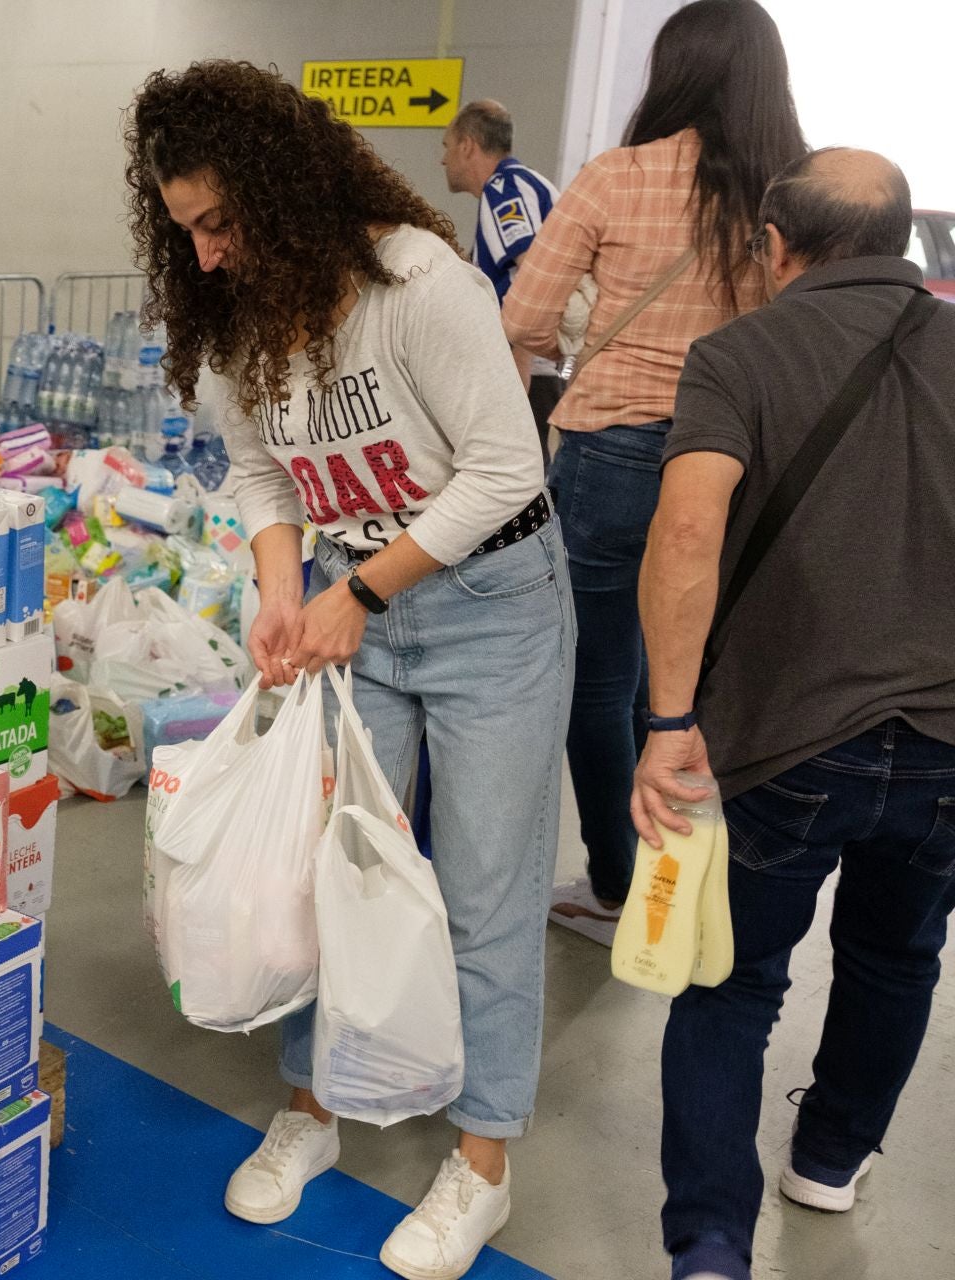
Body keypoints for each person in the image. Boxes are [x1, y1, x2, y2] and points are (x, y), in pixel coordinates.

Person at [127, 61, 574, 1280]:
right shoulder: (234, 320)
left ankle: (482, 1161)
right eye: (186, 233)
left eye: (220, 222)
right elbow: (266, 473)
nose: (207, 256)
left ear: (284, 191)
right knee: (323, 873)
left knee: (483, 893)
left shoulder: (419, 285)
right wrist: (284, 589)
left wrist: (358, 592)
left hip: (489, 607)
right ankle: (315, 1107)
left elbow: (504, 473)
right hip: (347, 595)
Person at [631, 148, 955, 1280]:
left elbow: (685, 532)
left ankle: (712, 1246)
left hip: (780, 735)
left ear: (777, 245)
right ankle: (829, 1157)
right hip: (947, 749)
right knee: (896, 957)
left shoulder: (737, 353)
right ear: (904, 239)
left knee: (730, 981)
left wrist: (669, 721)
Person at [500, 0, 805, 937]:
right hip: (734, 459)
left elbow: (523, 322)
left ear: (671, 71)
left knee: (599, 680)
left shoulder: (617, 178)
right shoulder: (784, 195)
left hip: (615, 453)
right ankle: (681, 881)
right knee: (679, 681)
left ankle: (616, 883)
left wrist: (585, 345)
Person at [441, 99, 564, 443]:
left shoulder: (503, 189)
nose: (442, 159)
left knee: (520, 486)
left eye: (447, 146)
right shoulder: (525, 183)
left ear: (467, 146)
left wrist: (520, 361)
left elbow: (533, 273)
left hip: (524, 369)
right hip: (534, 365)